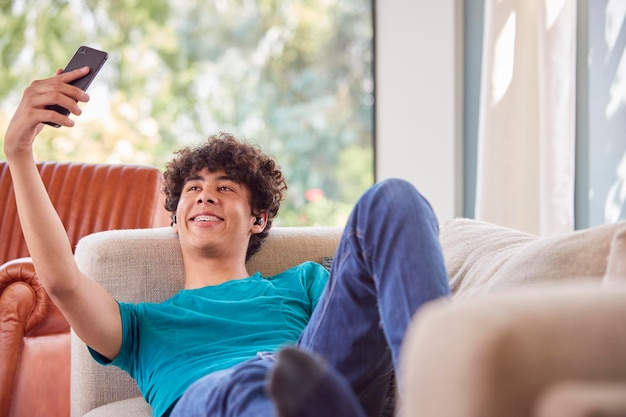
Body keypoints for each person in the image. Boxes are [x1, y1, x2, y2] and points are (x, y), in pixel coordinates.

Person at [4, 67, 451, 417]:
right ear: (176, 220)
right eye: (193, 189)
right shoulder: (140, 327)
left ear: (258, 220)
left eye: (225, 188)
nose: (205, 195)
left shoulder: (304, 283)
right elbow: (61, 280)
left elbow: (357, 321)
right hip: (221, 401)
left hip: (318, 381)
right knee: (249, 383)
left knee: (391, 198)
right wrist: (19, 152)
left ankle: (447, 389)